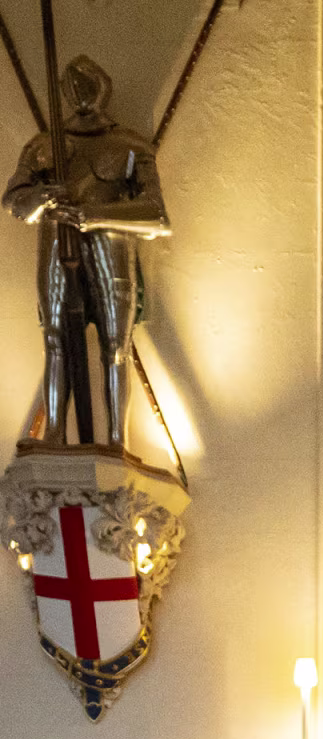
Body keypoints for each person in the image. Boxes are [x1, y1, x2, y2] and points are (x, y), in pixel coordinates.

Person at [2, 55, 170, 449]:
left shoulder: (128, 146)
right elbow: (15, 201)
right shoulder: (45, 146)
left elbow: (157, 216)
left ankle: (116, 440)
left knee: (116, 345)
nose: (81, 92)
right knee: (56, 340)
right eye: (73, 86)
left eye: (89, 84)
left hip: (111, 249)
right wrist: (44, 196)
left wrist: (92, 214)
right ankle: (56, 433)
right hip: (56, 243)